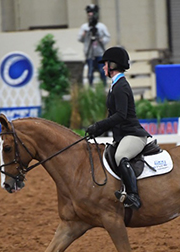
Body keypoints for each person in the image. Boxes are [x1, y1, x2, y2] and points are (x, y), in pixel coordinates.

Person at [85, 47, 151, 210]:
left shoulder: (121, 86)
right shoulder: (115, 86)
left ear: (113, 65)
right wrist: (97, 130)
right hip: (123, 135)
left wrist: (99, 125)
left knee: (121, 156)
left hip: (134, 135)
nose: (103, 67)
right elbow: (113, 116)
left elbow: (121, 116)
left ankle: (133, 196)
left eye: (105, 64)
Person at [78, 4, 111, 86]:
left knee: (102, 71)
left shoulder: (101, 27)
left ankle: (104, 86)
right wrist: (84, 34)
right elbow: (80, 39)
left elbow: (108, 37)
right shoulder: (84, 27)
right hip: (89, 54)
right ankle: (90, 86)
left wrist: (101, 39)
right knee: (90, 72)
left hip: (100, 53)